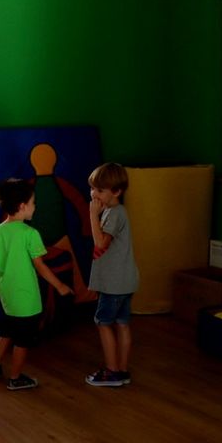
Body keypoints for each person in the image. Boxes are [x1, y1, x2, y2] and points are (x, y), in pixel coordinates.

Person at [0, 178, 73, 391]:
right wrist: (60, 286)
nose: (35, 207)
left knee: (9, 327)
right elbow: (40, 266)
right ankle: (15, 377)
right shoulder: (30, 234)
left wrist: (8, 266)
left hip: (6, 291)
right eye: (33, 203)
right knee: (23, 338)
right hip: (26, 295)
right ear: (22, 206)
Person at [85, 162, 139, 387]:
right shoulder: (115, 212)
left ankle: (112, 371)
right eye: (92, 188)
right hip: (125, 282)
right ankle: (122, 370)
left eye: (99, 190)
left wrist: (92, 215)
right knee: (122, 323)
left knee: (103, 323)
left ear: (116, 191)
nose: (93, 194)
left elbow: (100, 243)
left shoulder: (113, 214)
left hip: (114, 285)